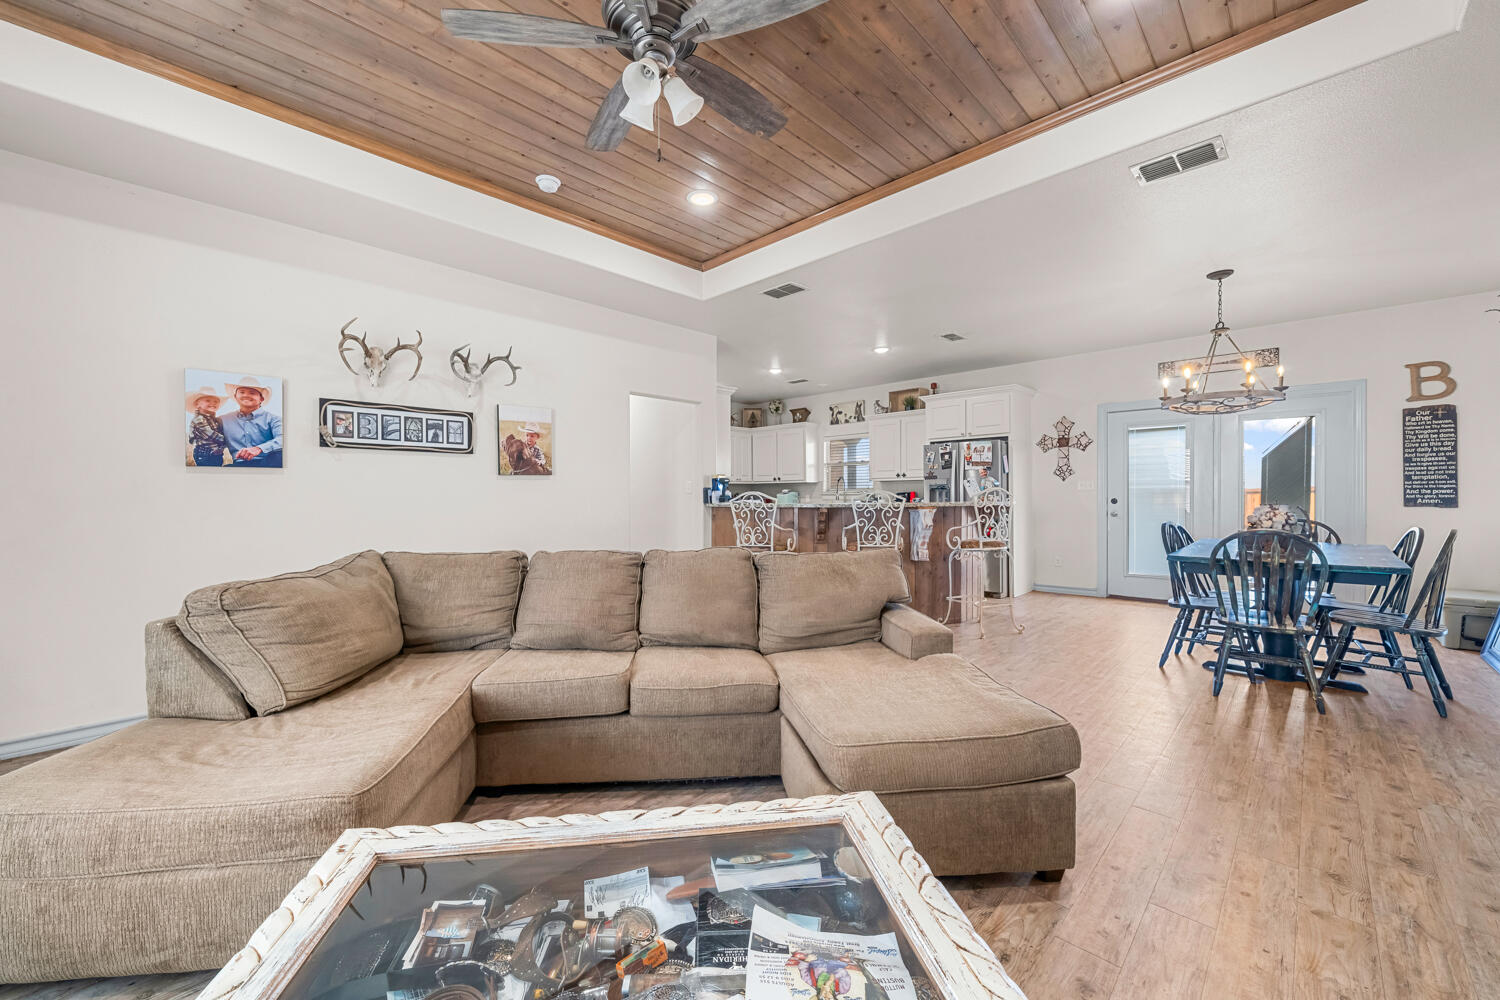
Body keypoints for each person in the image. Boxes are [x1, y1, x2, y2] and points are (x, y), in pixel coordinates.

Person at [220, 376, 283, 468]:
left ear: (261, 399)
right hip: (238, 465)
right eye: (242, 392)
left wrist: (259, 449)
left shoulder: (274, 419)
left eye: (252, 393)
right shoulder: (224, 419)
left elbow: (283, 439)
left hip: (268, 463)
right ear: (235, 396)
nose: (246, 395)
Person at [186, 386, 228, 467]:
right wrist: (228, 440)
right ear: (197, 404)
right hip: (204, 454)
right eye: (208, 400)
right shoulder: (199, 419)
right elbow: (211, 435)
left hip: (216, 454)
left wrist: (222, 446)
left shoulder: (214, 420)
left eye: (216, 401)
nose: (213, 403)